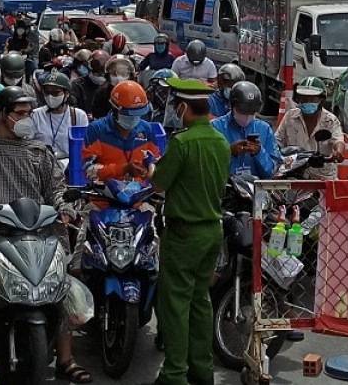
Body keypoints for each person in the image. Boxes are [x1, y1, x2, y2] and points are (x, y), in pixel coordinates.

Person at [0, 86, 90, 384]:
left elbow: (58, 189)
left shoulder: (39, 152)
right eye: (20, 113)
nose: (27, 119)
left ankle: (66, 358)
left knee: (63, 289)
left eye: (30, 114)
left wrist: (65, 207)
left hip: (38, 236)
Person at [148, 79, 230, 385]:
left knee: (176, 304)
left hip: (184, 234)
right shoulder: (220, 142)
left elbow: (159, 184)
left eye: (176, 106)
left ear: (184, 107)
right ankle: (201, 369)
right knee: (200, 302)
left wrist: (151, 168)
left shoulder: (182, 143)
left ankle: (175, 373)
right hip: (212, 231)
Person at [82, 81, 161, 186]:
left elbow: (157, 162)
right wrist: (123, 169)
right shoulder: (96, 130)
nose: (134, 119)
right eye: (129, 115)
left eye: (138, 114)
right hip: (103, 200)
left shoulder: (147, 129)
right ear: (115, 109)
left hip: (138, 198)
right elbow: (88, 171)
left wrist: (149, 167)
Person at [275, 77, 345, 179]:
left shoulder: (331, 121)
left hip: (322, 180)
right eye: (304, 99)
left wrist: (338, 152)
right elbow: (277, 142)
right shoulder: (290, 117)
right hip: (294, 177)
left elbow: (338, 141)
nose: (307, 102)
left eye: (312, 99)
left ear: (321, 100)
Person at [211, 81, 281, 178]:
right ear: (232, 105)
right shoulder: (215, 127)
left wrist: (259, 153)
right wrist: (230, 152)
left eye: (251, 113)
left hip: (256, 189)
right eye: (242, 112)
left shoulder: (264, 129)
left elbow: (272, 171)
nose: (247, 116)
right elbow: (209, 167)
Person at [32, 72, 87, 163]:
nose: (50, 96)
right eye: (47, 92)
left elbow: (84, 146)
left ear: (66, 94)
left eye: (55, 93)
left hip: (69, 166)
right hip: (43, 165)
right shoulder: (35, 115)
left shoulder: (79, 116)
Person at [92, 55, 136, 119]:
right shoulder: (100, 94)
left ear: (130, 75)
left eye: (123, 73)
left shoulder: (136, 93)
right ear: (108, 76)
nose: (119, 77)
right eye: (114, 73)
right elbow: (98, 118)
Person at [72, 49, 111, 116]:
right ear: (89, 66)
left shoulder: (112, 86)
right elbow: (73, 108)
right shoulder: (77, 85)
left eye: (102, 69)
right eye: (95, 66)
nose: (99, 72)